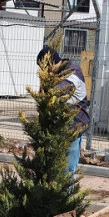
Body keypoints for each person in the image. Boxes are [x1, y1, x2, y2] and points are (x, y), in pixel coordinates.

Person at [36, 45, 90, 176]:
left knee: (67, 169)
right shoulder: (55, 74)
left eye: (44, 67)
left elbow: (61, 90)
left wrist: (47, 87)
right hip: (58, 127)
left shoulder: (73, 71)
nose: (44, 71)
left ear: (51, 62)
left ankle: (66, 196)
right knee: (53, 168)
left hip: (74, 126)